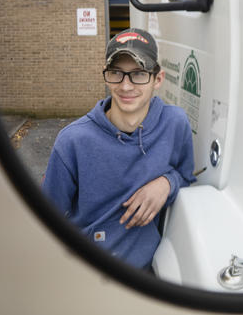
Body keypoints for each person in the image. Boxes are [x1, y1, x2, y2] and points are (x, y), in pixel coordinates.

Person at [42, 28, 195, 271]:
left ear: (158, 79)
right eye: (116, 73)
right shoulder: (73, 141)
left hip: (146, 273)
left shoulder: (174, 124)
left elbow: (187, 176)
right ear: (106, 76)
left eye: (138, 74)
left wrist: (166, 183)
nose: (125, 86)